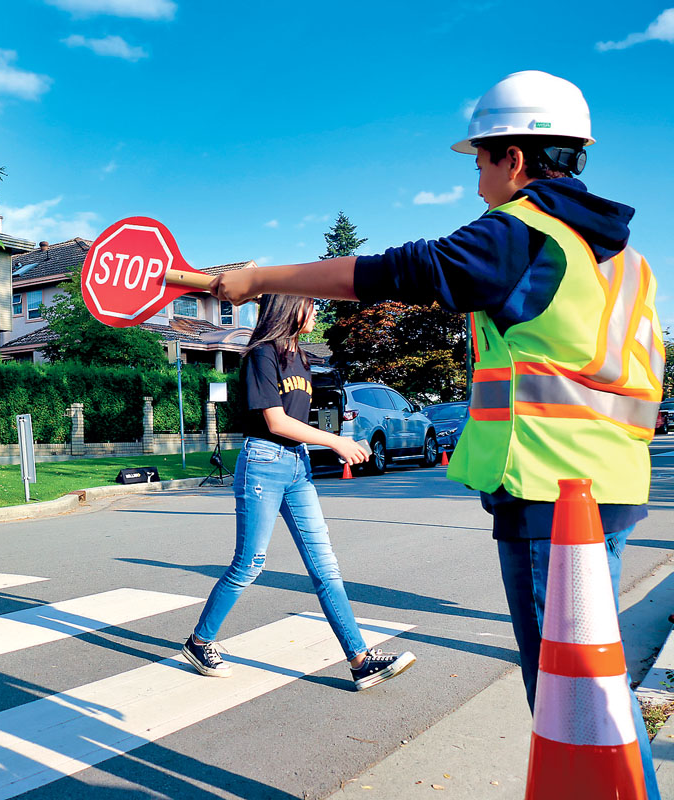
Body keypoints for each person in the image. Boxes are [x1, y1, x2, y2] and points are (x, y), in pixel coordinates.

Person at [210, 70, 661, 795]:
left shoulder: (525, 233)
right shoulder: (622, 261)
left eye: (480, 159)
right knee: (593, 683)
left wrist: (258, 278)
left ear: (515, 158)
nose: (476, 175)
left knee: (570, 699)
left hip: (550, 495)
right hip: (610, 491)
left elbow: (405, 270)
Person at [181, 294, 417, 689]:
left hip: (297, 465)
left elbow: (297, 418)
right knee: (249, 563)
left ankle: (360, 660)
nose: (317, 312)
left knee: (326, 567)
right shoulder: (261, 354)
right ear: (291, 308)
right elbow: (275, 421)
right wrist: (336, 441)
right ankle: (199, 641)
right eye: (311, 304)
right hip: (264, 462)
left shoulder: (302, 359)